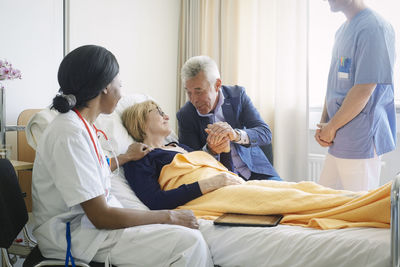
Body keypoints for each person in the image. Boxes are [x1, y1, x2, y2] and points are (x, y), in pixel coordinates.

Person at [31, 45, 213, 267]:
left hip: (93, 226)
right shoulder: (69, 133)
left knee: (183, 235)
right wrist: (169, 216)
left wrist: (124, 158)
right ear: (105, 87)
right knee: (188, 243)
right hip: (76, 235)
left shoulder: (82, 127)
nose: (122, 93)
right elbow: (100, 216)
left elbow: (91, 171)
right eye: (120, 84)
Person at [121, 100, 390, 230]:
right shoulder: (141, 158)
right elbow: (156, 202)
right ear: (142, 122)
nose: (167, 115)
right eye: (158, 113)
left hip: (230, 186)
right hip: (212, 195)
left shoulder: (180, 148)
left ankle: (379, 201)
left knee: (304, 188)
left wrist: (225, 150)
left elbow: (225, 172)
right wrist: (211, 183)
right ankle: (383, 205)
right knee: (295, 199)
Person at [315, 0, 396, 191]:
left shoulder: (375, 28)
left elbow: (364, 89)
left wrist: (331, 127)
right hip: (337, 135)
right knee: (325, 204)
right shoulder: (343, 31)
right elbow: (333, 83)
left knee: (355, 210)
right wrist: (324, 124)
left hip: (360, 138)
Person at [177, 55, 281, 181]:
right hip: (221, 179)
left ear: (217, 85)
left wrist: (235, 135)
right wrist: (210, 150)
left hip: (257, 172)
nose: (194, 100)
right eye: (189, 92)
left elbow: (265, 133)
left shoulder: (237, 96)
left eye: (199, 91)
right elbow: (190, 162)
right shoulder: (186, 115)